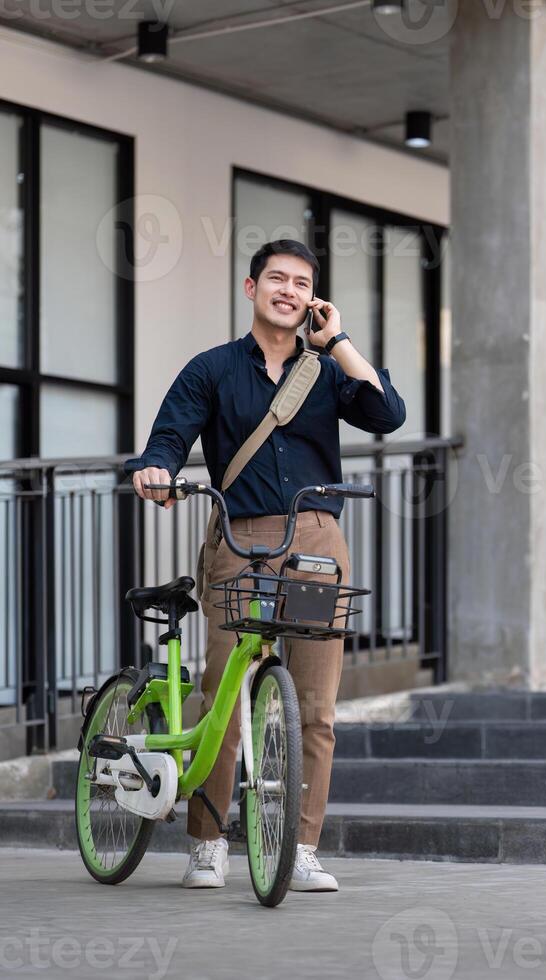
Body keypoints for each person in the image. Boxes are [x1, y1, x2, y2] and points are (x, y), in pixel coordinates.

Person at [125, 238, 405, 891]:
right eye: (276, 278)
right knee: (223, 686)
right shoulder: (213, 369)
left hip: (314, 543)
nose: (289, 290)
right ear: (251, 288)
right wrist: (158, 468)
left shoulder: (328, 369)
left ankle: (301, 848)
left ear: (314, 297)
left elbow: (386, 413)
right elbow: (170, 434)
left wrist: (337, 341)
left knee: (315, 703)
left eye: (302, 282)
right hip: (241, 540)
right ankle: (207, 844)